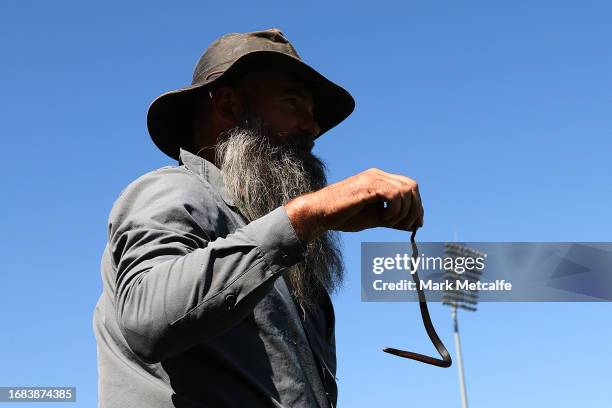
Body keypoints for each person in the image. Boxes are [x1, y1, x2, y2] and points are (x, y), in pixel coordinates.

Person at [93, 28, 423, 408]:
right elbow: (146, 319)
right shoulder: (174, 191)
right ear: (229, 106)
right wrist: (306, 214)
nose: (312, 127)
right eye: (292, 102)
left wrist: (303, 226)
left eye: (313, 114)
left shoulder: (272, 245)